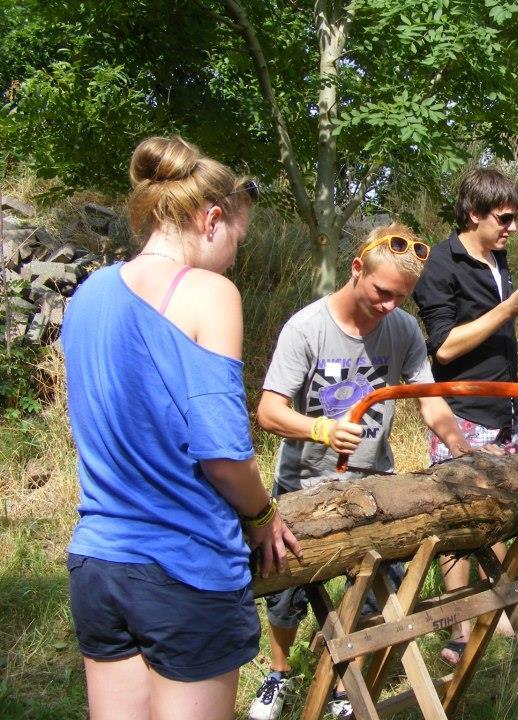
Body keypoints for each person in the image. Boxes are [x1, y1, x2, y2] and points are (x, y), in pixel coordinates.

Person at [61, 135, 300, 720]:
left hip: (98, 565)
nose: (234, 260)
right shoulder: (208, 292)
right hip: (184, 567)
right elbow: (223, 456)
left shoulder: (86, 295)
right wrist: (264, 514)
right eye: (236, 243)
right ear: (211, 219)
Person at [249, 224, 473, 720]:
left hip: (375, 489)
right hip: (303, 488)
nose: (391, 305)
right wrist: (320, 430)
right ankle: (279, 673)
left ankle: (346, 683)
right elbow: (268, 411)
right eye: (382, 292)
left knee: (379, 591)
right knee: (285, 599)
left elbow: (427, 400)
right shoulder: (306, 328)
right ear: (357, 269)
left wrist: (457, 444)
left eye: (402, 297)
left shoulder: (404, 330)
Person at [412, 166, 518, 664]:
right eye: (504, 218)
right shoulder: (439, 264)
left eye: (514, 219)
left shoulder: (496, 257)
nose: (511, 227)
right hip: (462, 410)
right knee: (458, 517)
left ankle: (495, 604)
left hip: (507, 405)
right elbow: (444, 348)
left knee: (497, 511)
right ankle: (458, 628)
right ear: (474, 213)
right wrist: (508, 309)